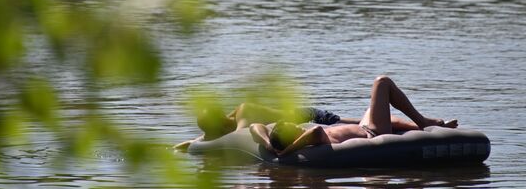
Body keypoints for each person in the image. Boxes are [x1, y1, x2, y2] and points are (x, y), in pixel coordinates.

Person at [250, 75, 458, 156]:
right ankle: (422, 122)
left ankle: (423, 126)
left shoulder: (300, 139)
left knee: (371, 110)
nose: (297, 126)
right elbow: (315, 130)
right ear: (291, 138)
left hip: (366, 126)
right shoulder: (312, 139)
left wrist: (269, 144)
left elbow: (254, 127)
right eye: (292, 128)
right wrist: (286, 151)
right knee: (382, 83)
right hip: (373, 133)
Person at [173, 102, 357, 152]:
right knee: (365, 124)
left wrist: (197, 144)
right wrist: (189, 143)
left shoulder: (244, 113)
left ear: (221, 122)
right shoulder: (227, 123)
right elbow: (207, 138)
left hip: (311, 116)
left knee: (363, 125)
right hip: (298, 122)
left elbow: (238, 137)